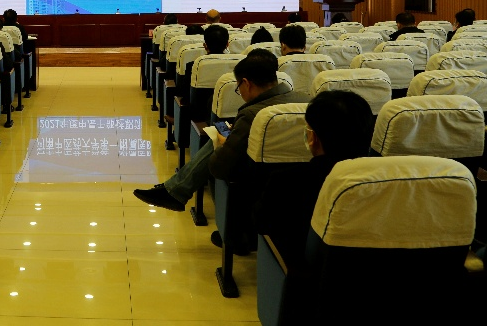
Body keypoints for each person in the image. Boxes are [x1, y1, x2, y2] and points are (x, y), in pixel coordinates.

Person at [133, 50, 308, 221]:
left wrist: (223, 144)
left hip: (255, 187)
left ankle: (176, 191)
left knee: (217, 139)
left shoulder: (252, 115)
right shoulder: (306, 101)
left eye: (238, 88)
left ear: (246, 83)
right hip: (306, 184)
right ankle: (174, 190)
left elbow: (219, 167)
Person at [254, 90, 373, 269]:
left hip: (304, 276)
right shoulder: (386, 182)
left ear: (313, 138)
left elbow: (261, 224)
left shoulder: (286, 181)